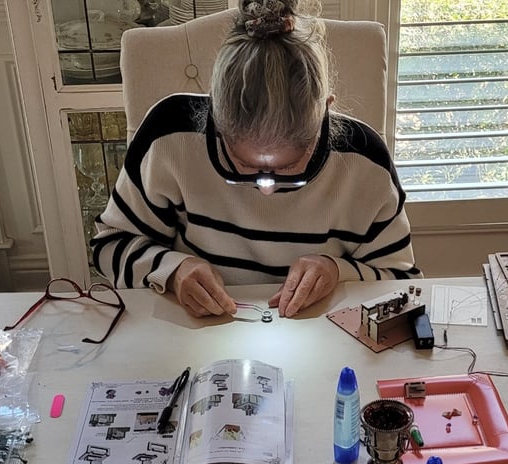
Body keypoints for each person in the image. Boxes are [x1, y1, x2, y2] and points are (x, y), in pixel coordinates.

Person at [91, 0, 421, 318]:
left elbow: (403, 282)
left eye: (288, 167)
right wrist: (172, 270)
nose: (266, 189)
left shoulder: (364, 162)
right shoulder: (169, 134)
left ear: (324, 115)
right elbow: (108, 246)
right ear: (215, 115)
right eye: (246, 166)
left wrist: (338, 271)